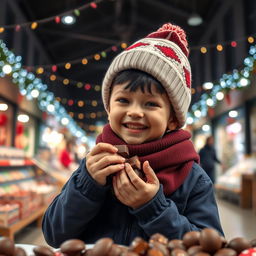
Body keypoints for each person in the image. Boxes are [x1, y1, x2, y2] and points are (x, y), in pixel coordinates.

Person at [42, 23, 224, 248]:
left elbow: (210, 246)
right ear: (109, 108)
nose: (135, 112)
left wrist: (153, 207)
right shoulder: (95, 164)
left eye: (151, 104)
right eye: (123, 100)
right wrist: (88, 184)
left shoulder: (192, 178)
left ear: (173, 119)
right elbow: (54, 234)